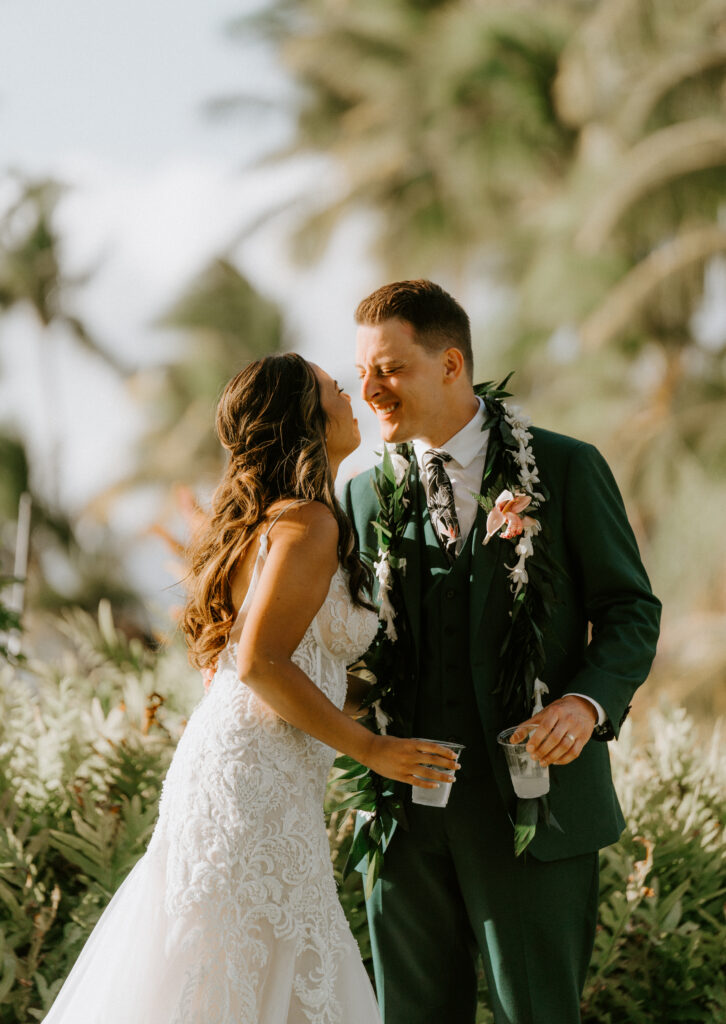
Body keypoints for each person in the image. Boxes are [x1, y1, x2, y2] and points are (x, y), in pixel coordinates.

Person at [43, 353, 459, 1024]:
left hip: (253, 769)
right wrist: (370, 749)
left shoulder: (275, 520)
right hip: (253, 780)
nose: (350, 395)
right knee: (245, 966)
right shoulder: (309, 524)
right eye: (333, 388)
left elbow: (290, 664)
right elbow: (262, 664)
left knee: (234, 969)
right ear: (307, 420)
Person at [342, 280, 662, 1024]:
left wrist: (585, 706)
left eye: (388, 369)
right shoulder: (360, 497)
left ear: (451, 364)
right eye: (360, 372)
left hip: (534, 812)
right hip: (402, 818)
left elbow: (630, 612)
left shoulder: (566, 468)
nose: (370, 390)